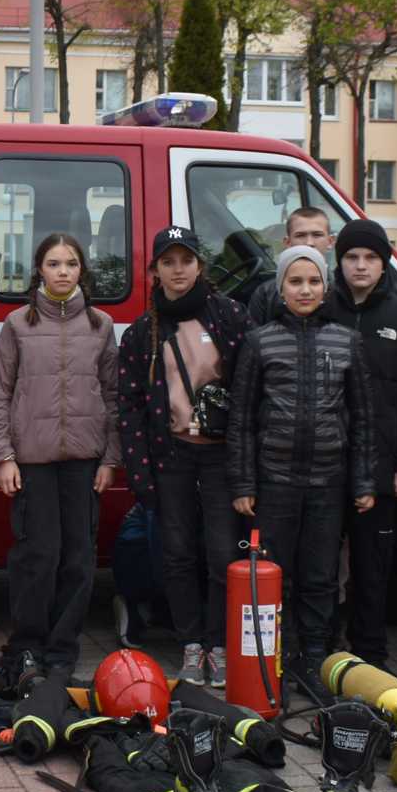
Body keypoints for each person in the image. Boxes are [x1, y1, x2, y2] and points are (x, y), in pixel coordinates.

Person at [229, 247, 376, 702]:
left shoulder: (346, 340)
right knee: (277, 577)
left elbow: (363, 418)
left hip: (328, 483)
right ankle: (277, 658)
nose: (305, 289)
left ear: (326, 287)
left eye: (313, 281)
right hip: (274, 483)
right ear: (280, 288)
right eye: (296, 281)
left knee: (319, 578)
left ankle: (314, 660)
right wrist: (243, 483)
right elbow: (241, 418)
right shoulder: (260, 341)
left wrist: (364, 481)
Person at [0, 232, 120, 687]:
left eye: (72, 264)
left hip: (84, 462)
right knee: (37, 557)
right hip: (33, 461)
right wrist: (3, 456)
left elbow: (115, 398)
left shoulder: (101, 326)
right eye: (54, 263)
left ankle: (62, 652)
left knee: (78, 559)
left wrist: (110, 458)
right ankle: (28, 648)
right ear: (39, 269)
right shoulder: (17, 325)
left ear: (83, 271)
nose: (63, 272)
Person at [117, 226, 249, 687]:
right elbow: (130, 407)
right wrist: (141, 474)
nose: (178, 270)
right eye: (168, 262)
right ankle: (190, 645)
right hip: (169, 455)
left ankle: (217, 645)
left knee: (219, 554)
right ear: (154, 270)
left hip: (220, 459)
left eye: (186, 261)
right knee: (175, 555)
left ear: (200, 265)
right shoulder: (142, 332)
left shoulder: (231, 317)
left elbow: (251, 392)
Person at [319, 219, 397, 669]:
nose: (361, 266)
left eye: (370, 257)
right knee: (323, 567)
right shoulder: (323, 311)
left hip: (383, 468)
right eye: (352, 257)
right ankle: (322, 649)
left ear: (384, 261)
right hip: (326, 466)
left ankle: (371, 654)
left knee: (373, 567)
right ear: (340, 261)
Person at [246, 205, 336, 324]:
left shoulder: (341, 292)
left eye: (317, 235)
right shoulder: (266, 294)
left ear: (330, 241)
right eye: (301, 235)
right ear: (287, 242)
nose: (309, 243)